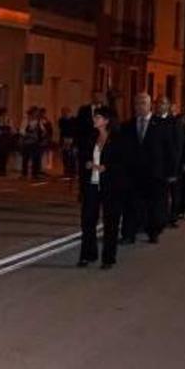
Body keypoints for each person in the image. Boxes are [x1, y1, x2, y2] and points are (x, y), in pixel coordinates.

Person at [119, 93, 177, 244]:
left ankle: (153, 232)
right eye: (137, 103)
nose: (139, 106)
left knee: (154, 204)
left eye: (143, 103)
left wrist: (171, 172)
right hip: (133, 173)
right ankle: (128, 234)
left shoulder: (161, 125)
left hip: (155, 173)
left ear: (150, 105)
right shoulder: (127, 126)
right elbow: (122, 150)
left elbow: (169, 149)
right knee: (130, 204)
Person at [78, 107, 126, 269]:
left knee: (110, 222)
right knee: (87, 221)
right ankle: (87, 254)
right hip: (92, 184)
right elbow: (84, 156)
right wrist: (87, 164)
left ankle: (108, 258)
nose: (94, 120)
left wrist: (106, 167)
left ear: (106, 120)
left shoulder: (118, 138)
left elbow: (123, 162)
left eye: (97, 117)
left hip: (111, 185)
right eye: (94, 117)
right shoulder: (91, 137)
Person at [156, 96, 185, 228]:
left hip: (172, 164)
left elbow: (178, 146)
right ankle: (161, 218)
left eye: (163, 103)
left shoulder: (174, 122)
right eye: (158, 103)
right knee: (160, 194)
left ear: (167, 106)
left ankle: (173, 217)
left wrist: (174, 168)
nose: (160, 105)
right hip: (157, 165)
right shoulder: (153, 120)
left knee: (174, 192)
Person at [20, 106, 45, 179]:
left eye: (37, 113)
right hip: (27, 142)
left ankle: (35, 173)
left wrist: (42, 134)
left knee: (36, 158)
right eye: (35, 112)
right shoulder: (26, 120)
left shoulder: (39, 121)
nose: (36, 114)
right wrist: (28, 135)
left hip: (35, 142)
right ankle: (24, 174)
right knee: (26, 158)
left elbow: (43, 130)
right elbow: (22, 130)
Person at [58, 106, 77, 179]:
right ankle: (66, 171)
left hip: (72, 140)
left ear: (69, 112)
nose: (64, 114)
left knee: (72, 157)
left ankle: (73, 172)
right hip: (64, 140)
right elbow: (61, 132)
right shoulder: (61, 120)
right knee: (65, 156)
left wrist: (74, 142)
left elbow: (76, 132)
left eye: (65, 112)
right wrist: (61, 142)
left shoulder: (74, 120)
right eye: (63, 112)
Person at [0, 107, 15, 176]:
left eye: (6, 113)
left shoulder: (9, 120)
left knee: (5, 155)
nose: (5, 115)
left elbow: (13, 130)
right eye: (3, 113)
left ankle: (3, 170)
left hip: (7, 140)